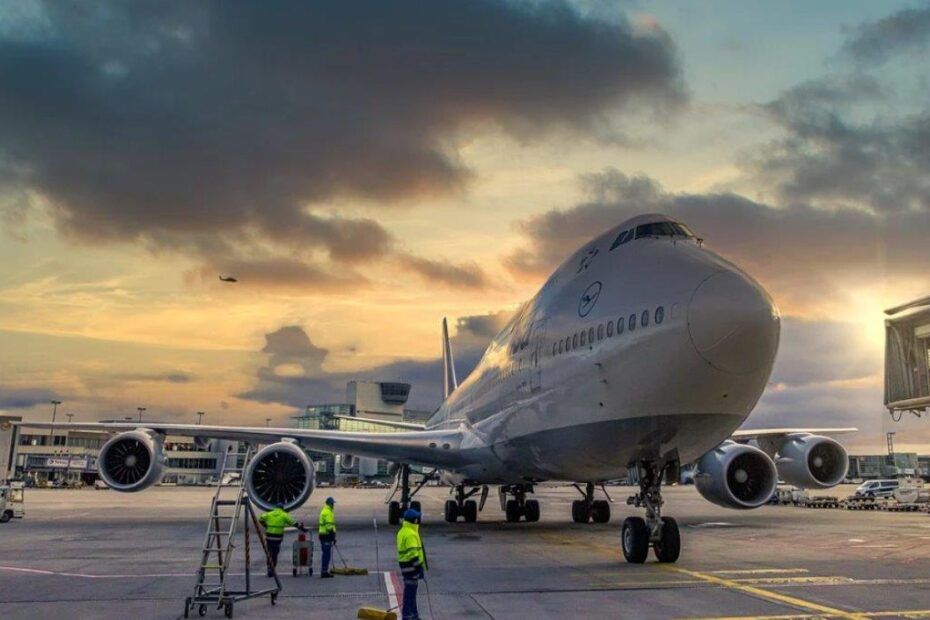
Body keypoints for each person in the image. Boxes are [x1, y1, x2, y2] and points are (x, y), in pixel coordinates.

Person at [396, 508, 427, 620]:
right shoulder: (411, 534)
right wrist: (419, 568)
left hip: (405, 567)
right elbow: (413, 554)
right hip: (411, 568)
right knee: (410, 593)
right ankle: (408, 615)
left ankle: (413, 615)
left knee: (410, 592)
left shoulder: (403, 531)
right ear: (414, 520)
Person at [259, 503, 298, 577]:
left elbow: (260, 518)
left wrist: (265, 525)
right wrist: (300, 527)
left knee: (269, 553)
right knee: (275, 554)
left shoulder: (269, 514)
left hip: (269, 537)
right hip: (277, 538)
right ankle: (272, 568)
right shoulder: (284, 515)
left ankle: (269, 568)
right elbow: (293, 522)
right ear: (282, 508)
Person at [318, 496, 337, 578]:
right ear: (330, 504)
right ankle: (324, 571)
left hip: (324, 535)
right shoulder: (327, 512)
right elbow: (329, 526)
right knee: (326, 554)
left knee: (326, 553)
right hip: (326, 535)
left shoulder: (326, 511)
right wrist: (332, 536)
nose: (334, 505)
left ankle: (324, 570)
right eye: (333, 503)